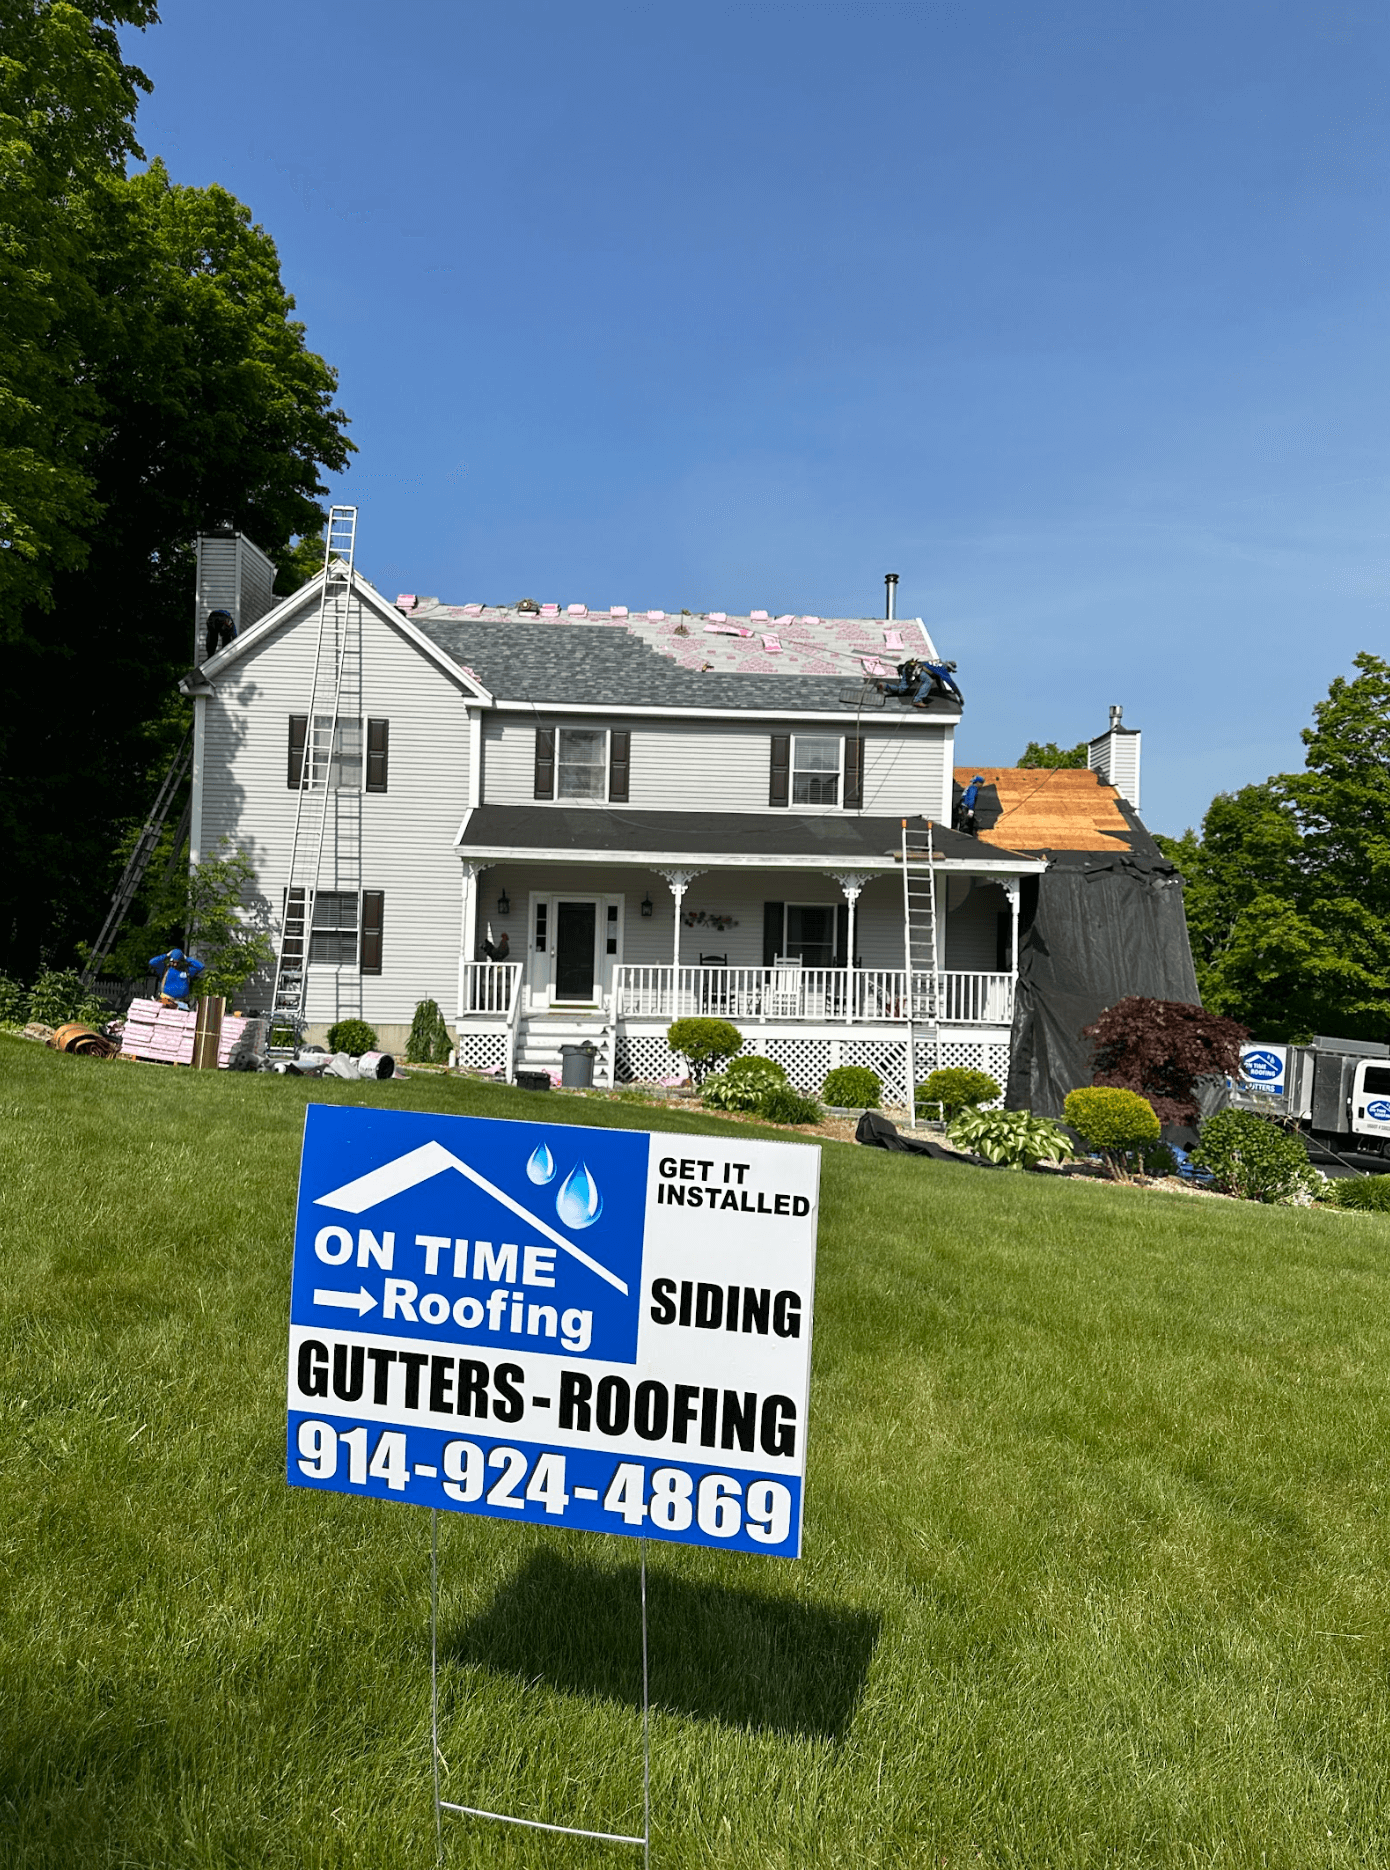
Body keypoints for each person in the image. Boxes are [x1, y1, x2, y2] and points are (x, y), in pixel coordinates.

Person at [878, 656, 963, 708]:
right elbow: (951, 684)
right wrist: (960, 696)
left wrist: (942, 690)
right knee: (928, 681)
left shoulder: (938, 664)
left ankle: (884, 686)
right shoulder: (943, 670)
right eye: (950, 670)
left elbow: (938, 679)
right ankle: (917, 700)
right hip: (918, 670)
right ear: (948, 667)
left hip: (909, 667)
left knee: (902, 689)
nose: (950, 672)